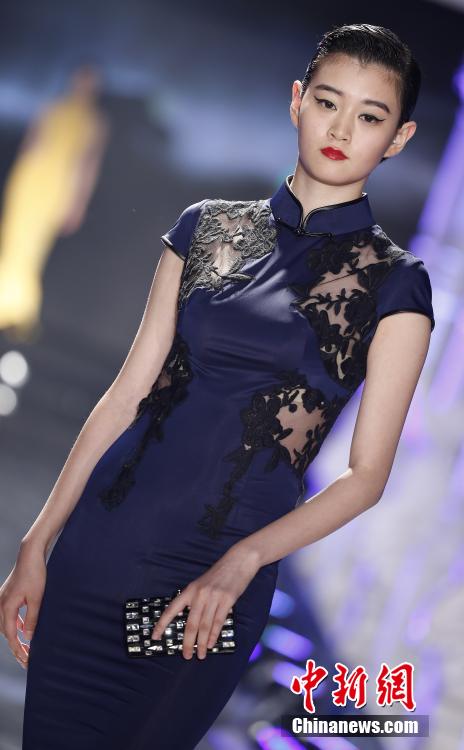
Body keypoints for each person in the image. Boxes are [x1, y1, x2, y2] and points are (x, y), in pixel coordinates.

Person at [0, 22, 435, 750]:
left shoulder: (396, 285)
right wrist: (38, 541)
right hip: (100, 552)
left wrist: (245, 559)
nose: (340, 130)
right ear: (297, 101)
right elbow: (126, 395)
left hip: (213, 588)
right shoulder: (204, 229)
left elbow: (366, 476)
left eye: (369, 116)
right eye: (328, 102)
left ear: (398, 138)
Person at [0, 63, 109, 340]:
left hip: (58, 186)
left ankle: (17, 309)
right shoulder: (52, 107)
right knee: (12, 239)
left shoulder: (95, 122)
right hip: (30, 178)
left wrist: (78, 203)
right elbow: (30, 144)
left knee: (33, 245)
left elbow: (88, 165)